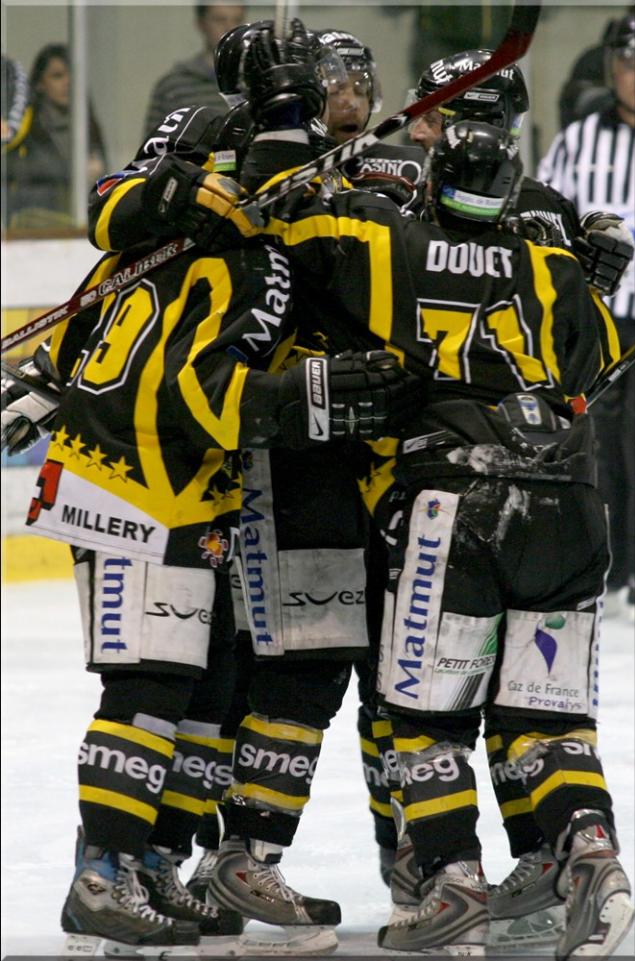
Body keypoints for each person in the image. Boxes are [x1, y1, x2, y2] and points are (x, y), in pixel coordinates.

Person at [183, 21, 634, 957]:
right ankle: (568, 856)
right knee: (492, 700)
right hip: (508, 489)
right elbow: (596, 362)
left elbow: (286, 235)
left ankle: (445, 871)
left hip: (435, 489)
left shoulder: (382, 229)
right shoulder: (539, 247)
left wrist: (274, 144)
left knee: (419, 702)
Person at [3, 101, 418, 951]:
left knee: (204, 681)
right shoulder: (239, 263)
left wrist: (45, 375)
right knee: (150, 683)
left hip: (172, 487)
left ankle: (148, 864)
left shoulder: (168, 244)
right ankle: (101, 873)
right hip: (140, 483)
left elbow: (105, 277)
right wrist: (316, 393)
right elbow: (202, 395)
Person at [538, 11, 635, 621]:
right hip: (599, 318)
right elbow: (550, 221)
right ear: (610, 69)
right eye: (627, 63)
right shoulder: (579, 140)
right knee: (596, 440)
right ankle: (607, 565)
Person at [4, 43, 107, 228]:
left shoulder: (88, 124)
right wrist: (74, 173)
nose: (68, 82)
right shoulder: (25, 125)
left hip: (82, 226)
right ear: (41, 84)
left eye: (72, 75)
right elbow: (15, 176)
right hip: (32, 226)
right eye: (57, 76)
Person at [143, 2, 246, 136]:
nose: (230, 28)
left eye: (237, 20)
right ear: (201, 24)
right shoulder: (173, 87)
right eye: (220, 20)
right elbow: (152, 150)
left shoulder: (255, 82)